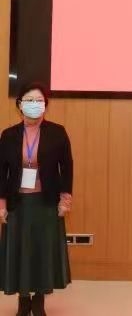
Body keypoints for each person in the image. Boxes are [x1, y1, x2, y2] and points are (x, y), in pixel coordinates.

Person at [0, 83, 73, 316]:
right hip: (17, 203)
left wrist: (65, 200)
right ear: (20, 105)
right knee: (20, 252)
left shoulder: (58, 132)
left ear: (45, 106)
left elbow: (67, 168)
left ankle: (39, 300)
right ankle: (23, 301)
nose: (34, 104)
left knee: (42, 251)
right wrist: (1, 204)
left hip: (46, 202)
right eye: (29, 100)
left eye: (39, 100)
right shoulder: (8, 135)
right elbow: (1, 172)